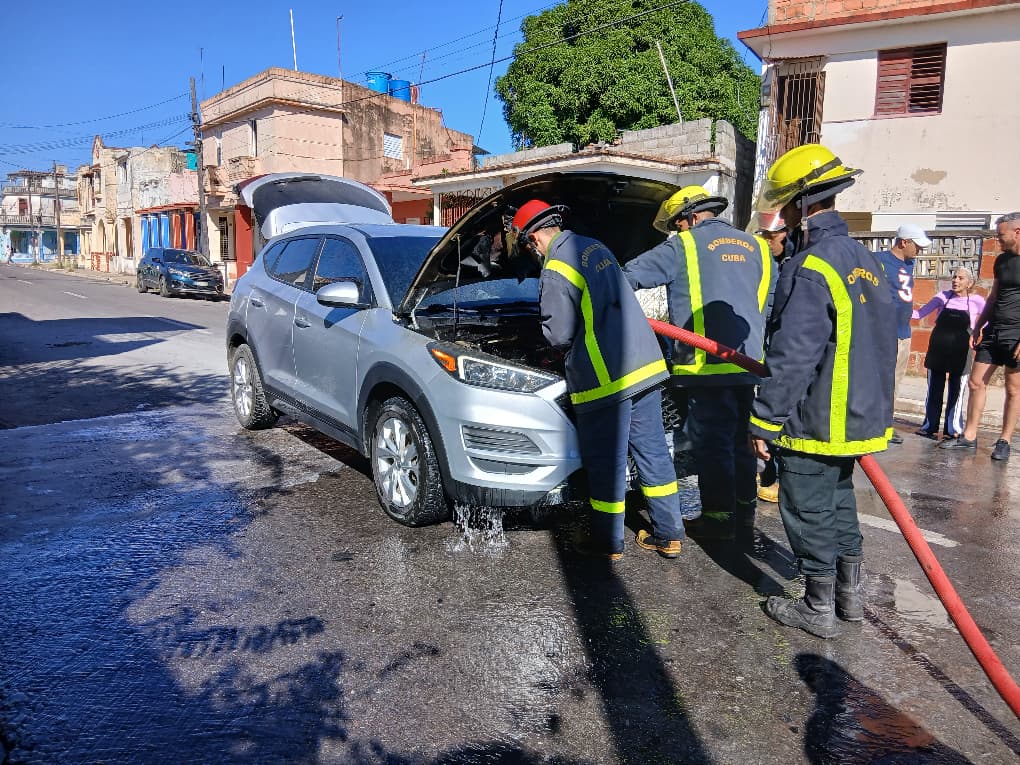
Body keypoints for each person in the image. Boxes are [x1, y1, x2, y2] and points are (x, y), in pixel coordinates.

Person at [748, 144, 897, 638]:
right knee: (838, 500)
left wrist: (764, 420)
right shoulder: (865, 260)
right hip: (858, 413)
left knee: (806, 504)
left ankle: (817, 607)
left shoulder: (810, 266)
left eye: (785, 206)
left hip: (816, 416)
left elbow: (793, 356)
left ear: (801, 204)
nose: (782, 217)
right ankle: (849, 599)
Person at [507, 199, 686, 560]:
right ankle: (670, 534)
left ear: (534, 239)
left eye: (529, 246)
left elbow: (558, 334)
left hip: (608, 379)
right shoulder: (594, 247)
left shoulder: (556, 266)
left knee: (607, 462)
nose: (533, 252)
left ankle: (608, 544)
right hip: (645, 368)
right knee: (652, 452)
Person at [622, 186, 775, 540]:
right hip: (749, 365)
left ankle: (718, 523)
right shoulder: (759, 249)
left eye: (678, 225)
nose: (677, 232)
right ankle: (744, 517)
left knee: (714, 446)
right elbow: (767, 306)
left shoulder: (684, 246)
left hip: (703, 366)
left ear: (689, 217)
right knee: (743, 442)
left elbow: (629, 275)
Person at [941, 212, 1020, 461]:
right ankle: (969, 437)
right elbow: (994, 296)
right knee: (976, 382)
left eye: (1001, 234)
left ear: (1017, 232)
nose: (997, 238)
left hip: (1017, 333)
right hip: (994, 329)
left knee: (1013, 388)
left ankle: (1004, 440)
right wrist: (979, 326)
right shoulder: (1002, 260)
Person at [912, 267, 986, 440]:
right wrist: (898, 308)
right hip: (938, 349)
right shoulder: (942, 297)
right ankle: (929, 426)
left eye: (961, 278)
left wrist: (980, 332)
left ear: (970, 283)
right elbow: (919, 314)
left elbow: (989, 319)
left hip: (961, 352)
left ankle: (953, 428)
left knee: (957, 391)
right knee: (934, 390)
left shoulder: (977, 301)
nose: (956, 281)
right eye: (954, 277)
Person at [875, 223, 932, 443]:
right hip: (884, 333)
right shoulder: (878, 260)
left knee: (895, 381)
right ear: (903, 242)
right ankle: (873, 424)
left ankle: (886, 424)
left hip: (903, 332)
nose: (920, 251)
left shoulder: (909, 263)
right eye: (916, 246)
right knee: (879, 380)